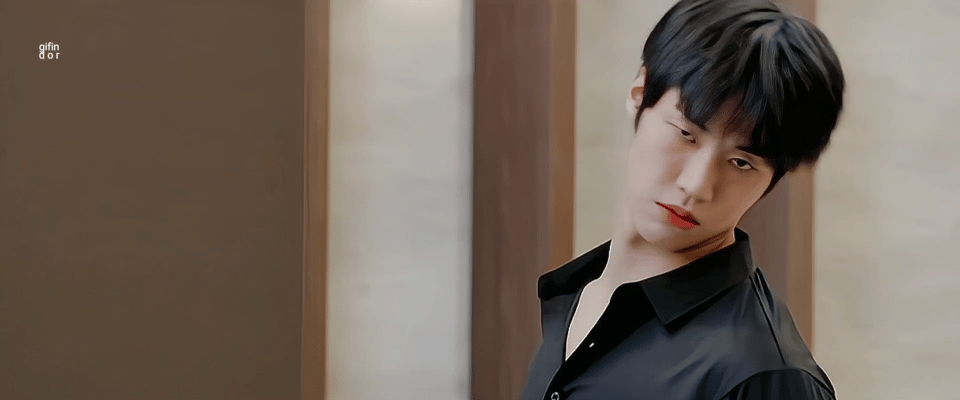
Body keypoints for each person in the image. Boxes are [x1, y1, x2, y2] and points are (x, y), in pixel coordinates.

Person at [521, 0, 844, 399]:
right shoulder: (577, 294)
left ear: (772, 180)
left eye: (741, 163)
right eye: (686, 134)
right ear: (640, 93)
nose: (696, 185)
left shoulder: (764, 375)